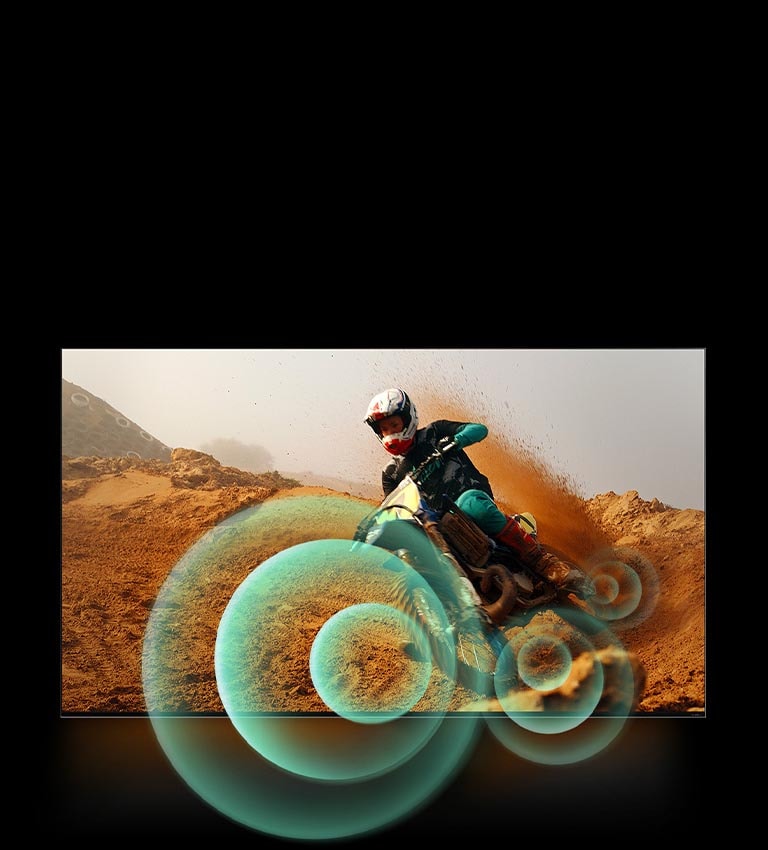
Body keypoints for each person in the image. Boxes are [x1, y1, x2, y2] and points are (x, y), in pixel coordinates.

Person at [364, 387, 594, 599]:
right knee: (413, 556)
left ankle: (545, 563)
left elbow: (478, 429)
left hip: (468, 499)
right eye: (384, 428)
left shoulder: (435, 433)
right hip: (435, 525)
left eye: (394, 425)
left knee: (470, 504)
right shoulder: (391, 473)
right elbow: (394, 506)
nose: (390, 432)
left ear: (408, 419)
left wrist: (455, 441)